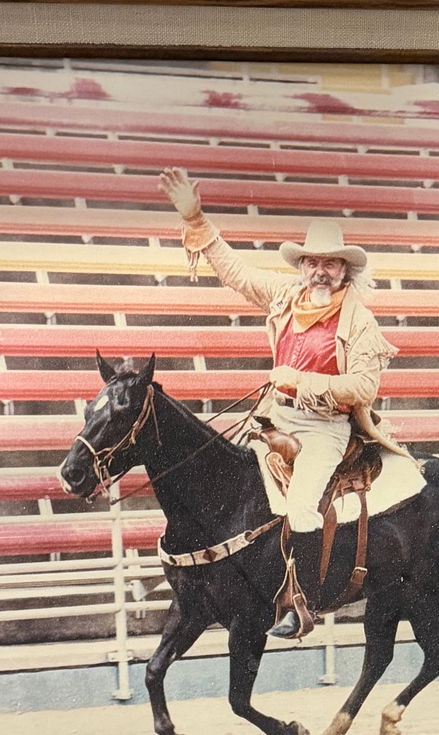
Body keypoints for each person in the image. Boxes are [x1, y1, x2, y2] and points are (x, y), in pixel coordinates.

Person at [159, 166, 405, 634]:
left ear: (344, 270)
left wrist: (298, 380)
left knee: (300, 507)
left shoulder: (360, 322)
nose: (320, 270)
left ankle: (303, 603)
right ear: (302, 266)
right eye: (312, 261)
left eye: (330, 263)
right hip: (274, 419)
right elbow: (236, 272)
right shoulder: (284, 297)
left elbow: (363, 388)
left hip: (324, 428)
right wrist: (197, 220)